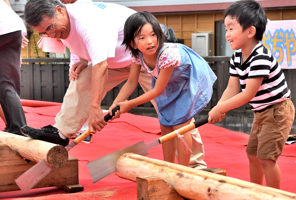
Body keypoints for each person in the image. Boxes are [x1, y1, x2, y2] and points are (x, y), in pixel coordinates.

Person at [21, 0, 208, 170]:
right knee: (83, 80)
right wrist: (84, 63)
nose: (51, 34)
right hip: (120, 61)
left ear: (60, 10)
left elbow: (101, 65)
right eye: (44, 32)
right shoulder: (58, 26)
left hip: (148, 59)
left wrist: (96, 108)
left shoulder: (88, 20)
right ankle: (61, 133)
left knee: (175, 112)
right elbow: (79, 45)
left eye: (50, 28)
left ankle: (195, 164)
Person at [108, 11, 216, 166]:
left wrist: (129, 104)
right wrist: (116, 104)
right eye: (142, 38)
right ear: (133, 43)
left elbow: (157, 91)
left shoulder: (167, 55)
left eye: (153, 35)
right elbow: (131, 82)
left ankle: (183, 171)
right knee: (165, 125)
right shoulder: (137, 56)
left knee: (180, 126)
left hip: (186, 81)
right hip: (168, 84)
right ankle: (168, 167)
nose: (150, 41)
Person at [208, 0, 295, 189]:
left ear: (250, 31)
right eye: (226, 29)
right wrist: (218, 107)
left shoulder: (260, 56)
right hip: (261, 111)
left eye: (231, 28)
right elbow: (232, 88)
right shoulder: (237, 57)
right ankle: (255, 191)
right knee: (253, 154)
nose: (227, 34)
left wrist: (221, 107)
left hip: (277, 111)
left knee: (266, 157)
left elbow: (248, 94)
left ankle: (273, 195)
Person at [0, 0, 28, 135]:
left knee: (4, 84)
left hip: (5, 27)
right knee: (6, 83)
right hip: (13, 27)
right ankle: (17, 128)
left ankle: (16, 127)